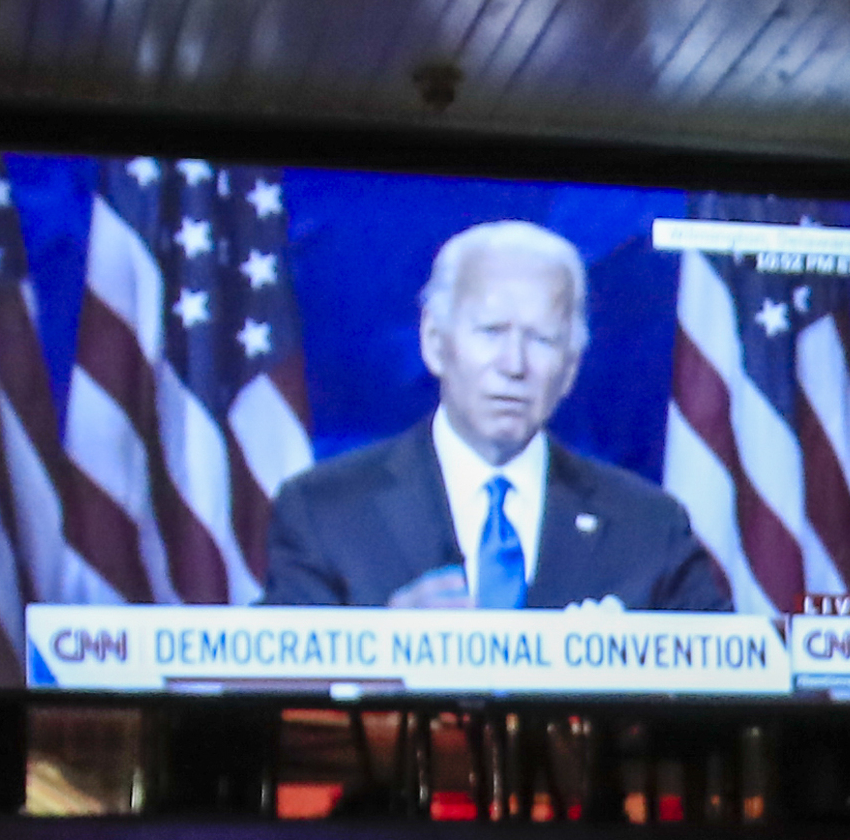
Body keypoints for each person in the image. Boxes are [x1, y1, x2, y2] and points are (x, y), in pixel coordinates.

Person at [262, 221, 734, 615]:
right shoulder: (323, 512)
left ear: (570, 368)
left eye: (542, 340)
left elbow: (727, 685)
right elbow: (273, 694)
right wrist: (385, 646)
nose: (514, 364)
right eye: (491, 331)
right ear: (433, 341)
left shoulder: (649, 525)